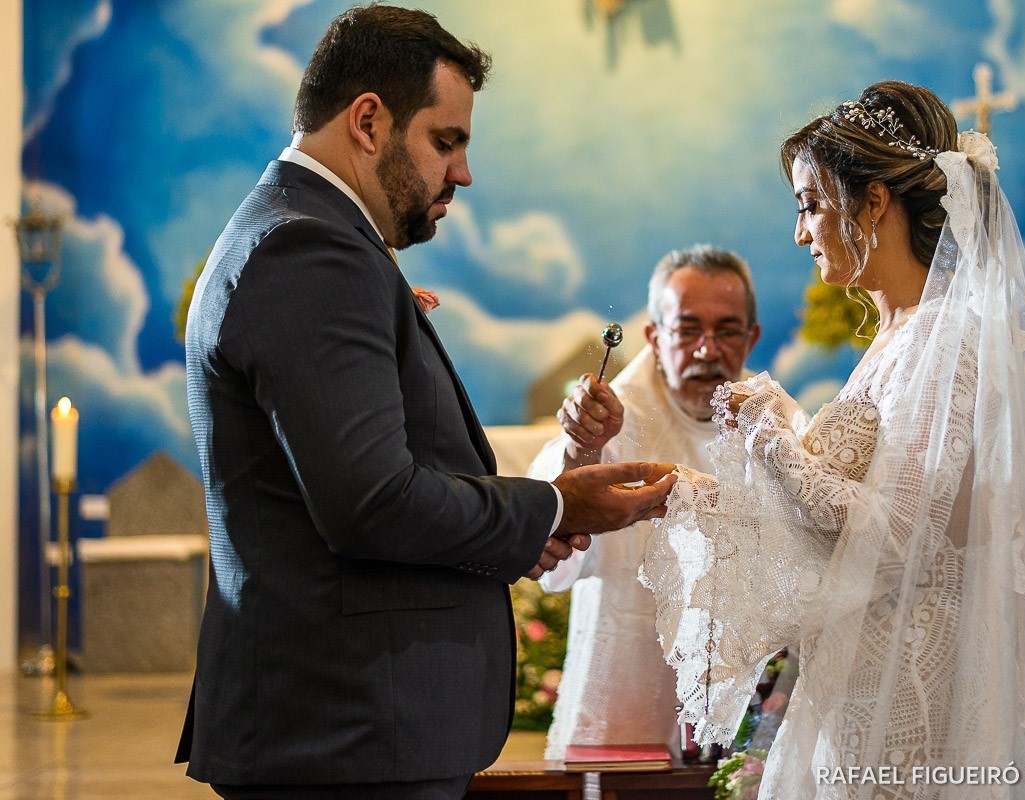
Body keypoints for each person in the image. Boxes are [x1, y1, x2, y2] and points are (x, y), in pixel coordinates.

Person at [175, 6, 675, 799]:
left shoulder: (305, 236)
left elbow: (372, 476)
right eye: (446, 140)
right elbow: (371, 502)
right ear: (368, 120)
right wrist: (549, 507)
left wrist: (513, 530)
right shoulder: (312, 249)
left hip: (349, 725)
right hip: (345, 731)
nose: (464, 172)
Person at [639, 81, 1025, 799]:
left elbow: (896, 539)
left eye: (811, 204)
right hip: (856, 683)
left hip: (904, 700)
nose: (801, 232)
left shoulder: (947, 337)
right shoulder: (894, 338)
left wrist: (771, 432)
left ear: (875, 203)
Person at [531, 244, 761, 759]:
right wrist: (578, 449)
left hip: (737, 723)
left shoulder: (773, 429)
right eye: (686, 329)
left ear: (752, 338)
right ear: (654, 338)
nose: (707, 350)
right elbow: (548, 553)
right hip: (622, 698)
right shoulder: (610, 420)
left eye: (726, 330)